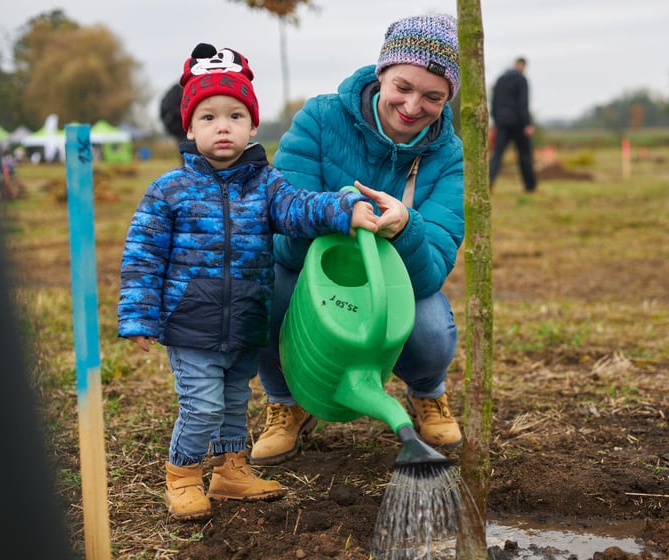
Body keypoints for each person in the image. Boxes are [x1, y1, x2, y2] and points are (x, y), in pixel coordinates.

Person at [117, 43, 379, 521]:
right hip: (190, 323)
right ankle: (182, 476)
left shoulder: (266, 184)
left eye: (236, 115)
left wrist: (344, 211)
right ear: (190, 127)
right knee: (201, 407)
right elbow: (142, 255)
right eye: (209, 117)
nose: (223, 126)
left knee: (235, 402)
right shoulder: (169, 191)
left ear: (252, 126)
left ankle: (230, 471)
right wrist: (138, 315)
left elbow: (300, 208)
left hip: (244, 321)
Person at [251, 14, 465, 466]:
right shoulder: (320, 119)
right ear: (382, 72)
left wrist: (406, 226)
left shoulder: (446, 155)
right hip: (310, 270)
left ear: (447, 100)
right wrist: (335, 215)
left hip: (395, 281)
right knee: (265, 295)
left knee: (431, 329)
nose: (412, 106)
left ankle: (427, 394)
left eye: (433, 97)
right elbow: (278, 231)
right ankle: (285, 402)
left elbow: (430, 274)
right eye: (402, 87)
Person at [489, 57, 537, 192]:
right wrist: (527, 124)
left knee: (497, 154)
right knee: (524, 155)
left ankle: (489, 181)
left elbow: (494, 101)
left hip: (502, 123)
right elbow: (523, 103)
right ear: (521, 66)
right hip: (518, 124)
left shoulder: (500, 79)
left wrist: (496, 120)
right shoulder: (521, 80)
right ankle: (530, 186)